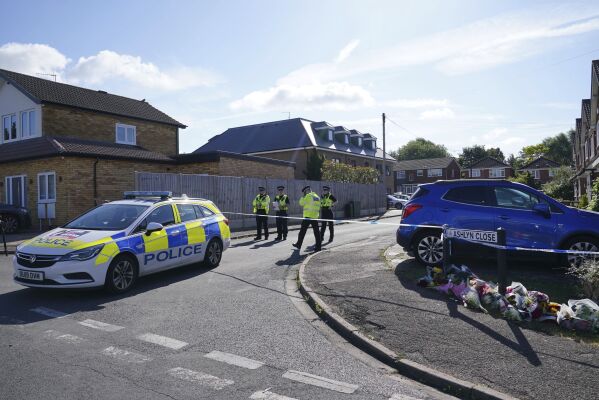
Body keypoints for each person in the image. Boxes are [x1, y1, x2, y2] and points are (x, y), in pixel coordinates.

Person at [292, 185, 322, 252]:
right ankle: (318, 247)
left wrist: (303, 196)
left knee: (302, 232)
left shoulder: (308, 196)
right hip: (315, 217)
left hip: (308, 216)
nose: (304, 193)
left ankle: (298, 244)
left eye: (304, 192)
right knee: (316, 233)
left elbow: (301, 203)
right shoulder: (317, 196)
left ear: (306, 191)